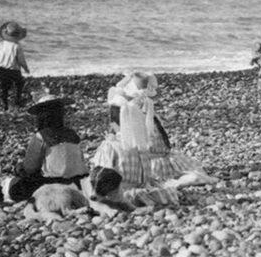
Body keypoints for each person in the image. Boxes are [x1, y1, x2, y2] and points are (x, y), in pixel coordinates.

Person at [91, 71, 216, 202]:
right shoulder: (130, 105)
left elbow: (118, 125)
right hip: (138, 149)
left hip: (140, 149)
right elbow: (120, 125)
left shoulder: (133, 106)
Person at [0, 94, 89, 202]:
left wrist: (19, 168)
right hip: (79, 183)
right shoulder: (73, 134)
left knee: (13, 186)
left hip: (55, 185)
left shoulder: (41, 136)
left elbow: (30, 168)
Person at [0, 21, 30, 110]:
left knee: (4, 87)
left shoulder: (2, 44)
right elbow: (21, 60)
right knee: (19, 83)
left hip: (2, 69)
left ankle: (5, 104)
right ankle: (17, 100)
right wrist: (25, 68)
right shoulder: (17, 46)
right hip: (14, 69)